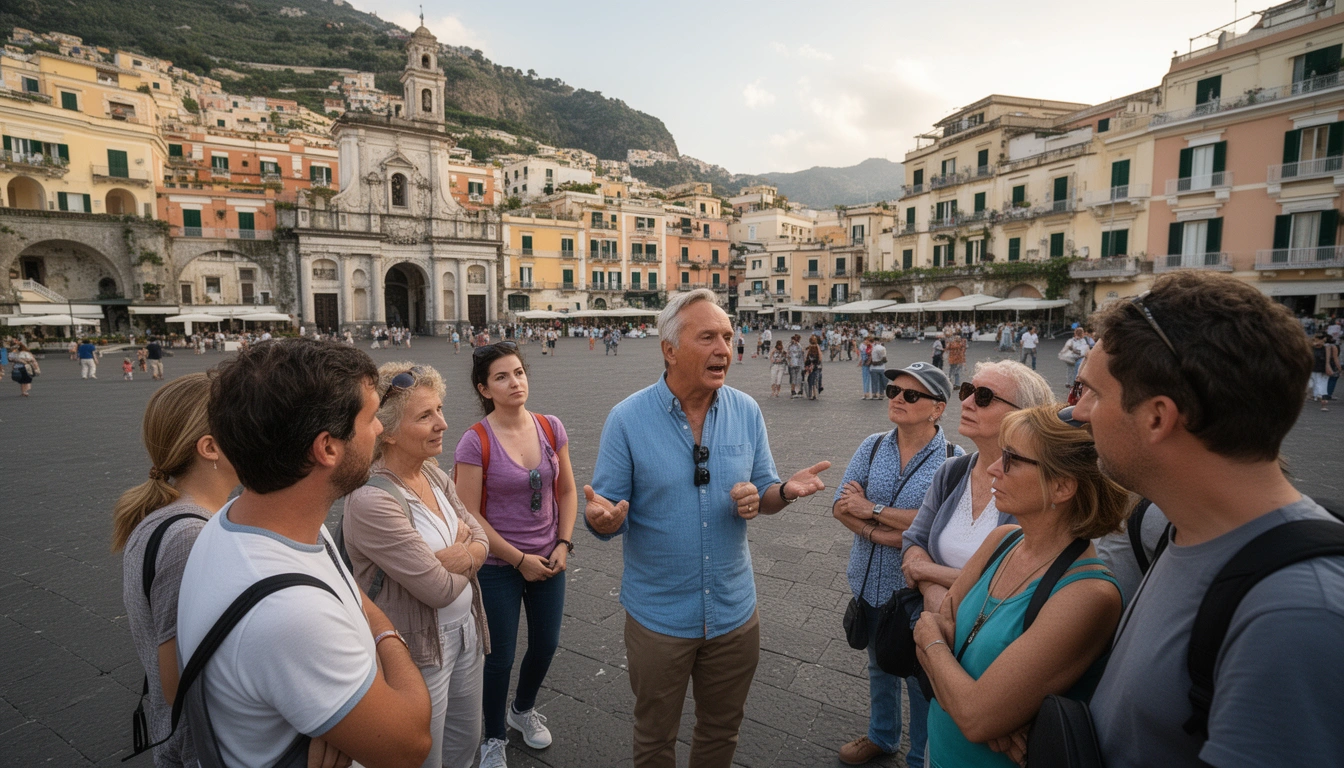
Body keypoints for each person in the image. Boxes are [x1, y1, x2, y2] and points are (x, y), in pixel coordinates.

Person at [1073, 272, 1344, 768]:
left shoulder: (1298, 615)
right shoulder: (1178, 530)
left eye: (1091, 392)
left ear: (1158, 417)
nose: (1077, 412)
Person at [584, 289, 831, 768]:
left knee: (722, 731)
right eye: (708, 337)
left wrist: (782, 492)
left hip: (735, 614)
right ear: (670, 349)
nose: (724, 348)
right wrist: (603, 521)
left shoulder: (746, 411)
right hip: (658, 618)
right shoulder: (627, 419)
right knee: (655, 738)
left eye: (727, 336)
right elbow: (604, 512)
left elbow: (765, 495)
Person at [177, 339, 433, 768]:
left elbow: (344, 588)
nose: (378, 431)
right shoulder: (291, 615)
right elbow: (410, 744)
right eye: (370, 418)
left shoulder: (240, 522)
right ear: (327, 448)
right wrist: (388, 639)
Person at [914, 404, 1128, 767]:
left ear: (1061, 487)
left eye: (1011, 458)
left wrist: (928, 637)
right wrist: (990, 714)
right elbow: (973, 710)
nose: (994, 467)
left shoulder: (1089, 595)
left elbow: (974, 714)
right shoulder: (1002, 540)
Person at [342, 363, 491, 768]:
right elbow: (437, 589)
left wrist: (458, 556)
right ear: (387, 431)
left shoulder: (432, 473)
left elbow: (480, 539)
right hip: (419, 647)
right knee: (424, 752)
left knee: (466, 740)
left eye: (439, 410)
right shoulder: (372, 501)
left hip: (466, 633)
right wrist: (469, 553)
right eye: (425, 416)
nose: (442, 423)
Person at [832, 362, 963, 766]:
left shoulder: (954, 460)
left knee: (921, 680)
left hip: (916, 592)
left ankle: (921, 757)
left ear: (937, 408)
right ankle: (882, 736)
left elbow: (934, 521)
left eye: (911, 395)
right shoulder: (872, 445)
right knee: (879, 668)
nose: (898, 400)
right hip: (869, 583)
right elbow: (840, 506)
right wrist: (886, 529)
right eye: (893, 393)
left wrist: (870, 509)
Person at [455, 343, 577, 768]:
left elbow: (566, 490)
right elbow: (468, 513)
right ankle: (492, 736)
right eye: (502, 377)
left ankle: (521, 711)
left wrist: (563, 542)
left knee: (546, 644)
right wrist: (517, 558)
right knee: (499, 657)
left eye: (520, 372)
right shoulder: (474, 442)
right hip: (496, 565)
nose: (515, 382)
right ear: (484, 388)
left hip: (548, 557)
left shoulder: (550, 426)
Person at [113, 373, 241, 768]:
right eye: (245, 424)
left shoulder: (173, 517)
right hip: (201, 747)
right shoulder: (189, 534)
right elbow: (177, 681)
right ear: (211, 447)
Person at [902, 361, 1056, 613]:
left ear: (1023, 414)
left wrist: (926, 571)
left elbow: (1020, 581)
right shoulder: (952, 471)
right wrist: (932, 590)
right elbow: (914, 539)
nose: (966, 402)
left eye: (984, 397)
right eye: (967, 391)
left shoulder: (1039, 487)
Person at [1310, 332, 1337, 411]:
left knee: (1323, 387)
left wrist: (1327, 366)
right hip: (1313, 369)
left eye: (1319, 340)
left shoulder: (1326, 347)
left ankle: (1324, 405)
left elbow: (1328, 358)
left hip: (1322, 369)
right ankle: (1317, 396)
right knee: (1311, 385)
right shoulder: (1311, 347)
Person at [804, 335, 823, 400]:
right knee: (815, 379)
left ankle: (812, 394)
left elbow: (807, 357)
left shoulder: (812, 347)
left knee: (811, 380)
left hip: (814, 365)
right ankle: (815, 393)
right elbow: (820, 357)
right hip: (817, 366)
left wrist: (807, 365)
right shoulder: (816, 346)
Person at [786, 334, 805, 399]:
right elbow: (787, 354)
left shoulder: (800, 346)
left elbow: (802, 352)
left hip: (799, 364)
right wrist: (789, 362)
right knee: (793, 378)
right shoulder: (790, 346)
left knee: (799, 378)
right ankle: (793, 390)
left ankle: (799, 390)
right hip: (792, 364)